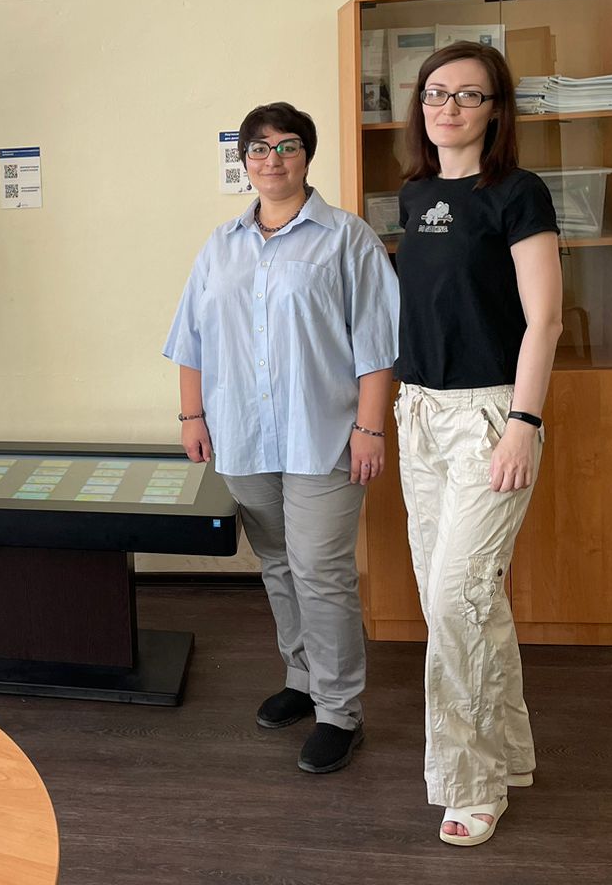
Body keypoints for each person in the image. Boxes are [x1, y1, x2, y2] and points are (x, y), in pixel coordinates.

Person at [165, 102, 398, 774]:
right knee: (276, 563)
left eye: (288, 145)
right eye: (260, 148)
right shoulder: (221, 245)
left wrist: (370, 428)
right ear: (245, 162)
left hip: (325, 434)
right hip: (243, 433)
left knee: (321, 571)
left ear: (307, 156)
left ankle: (340, 710)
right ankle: (301, 678)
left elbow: (377, 344)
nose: (273, 159)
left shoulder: (347, 238)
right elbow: (191, 338)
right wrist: (191, 416)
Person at [392, 42, 562, 847]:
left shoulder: (518, 193)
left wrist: (524, 423)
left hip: (491, 417)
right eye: (436, 92)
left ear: (496, 110)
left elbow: (544, 320)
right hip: (420, 414)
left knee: (459, 601)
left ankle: (471, 782)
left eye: (468, 94)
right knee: (459, 602)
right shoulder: (415, 193)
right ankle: (510, 753)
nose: (448, 107)